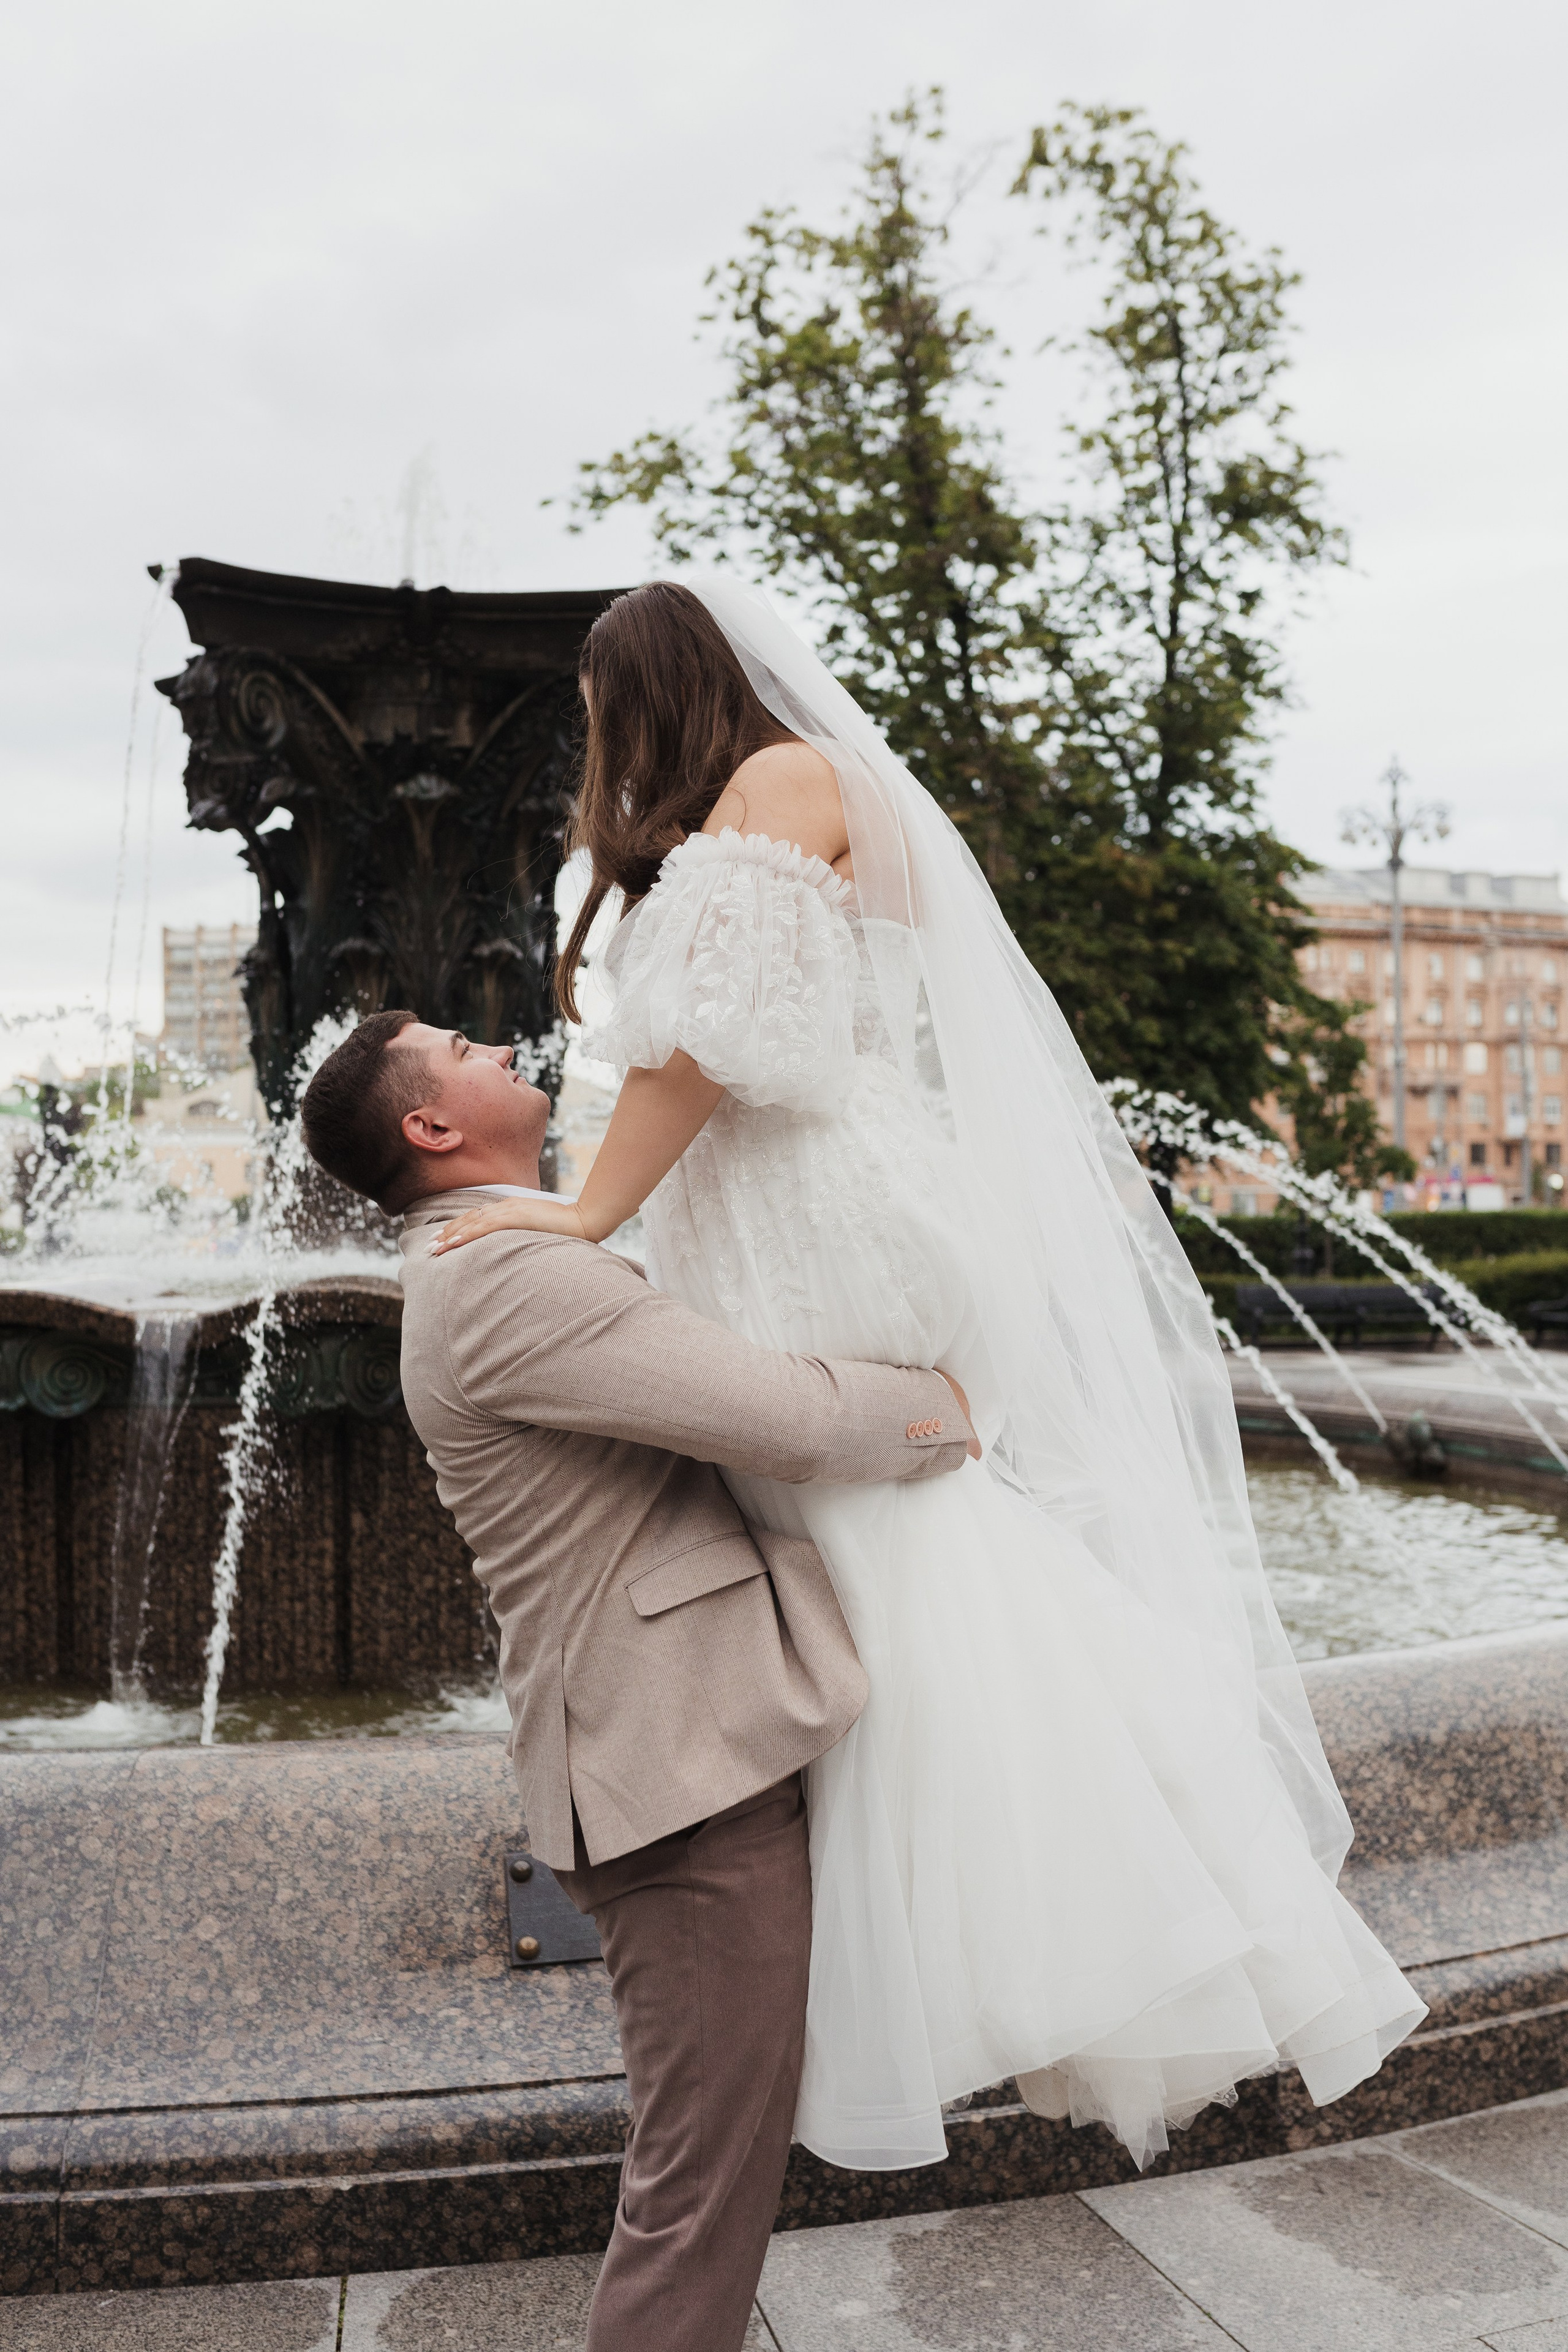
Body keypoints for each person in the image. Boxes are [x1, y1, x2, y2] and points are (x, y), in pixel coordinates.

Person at [434, 578, 1428, 2179]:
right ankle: (1046, 1935)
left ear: (653, 693)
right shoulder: (830, 786)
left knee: (893, 1568)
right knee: (926, 1572)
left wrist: (586, 1214)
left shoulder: (775, 786)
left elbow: (705, 1043)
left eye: (603, 708)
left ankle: (1025, 1954)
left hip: (808, 1223)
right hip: (844, 1198)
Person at [299, 1011, 976, 2352]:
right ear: (431, 1128)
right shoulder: (500, 1275)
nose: (496, 1042)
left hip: (681, 1749)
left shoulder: (499, 1252)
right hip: (674, 1770)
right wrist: (950, 1404)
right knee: (696, 2193)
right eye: (460, 1048)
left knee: (708, 2171)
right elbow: (787, 1416)